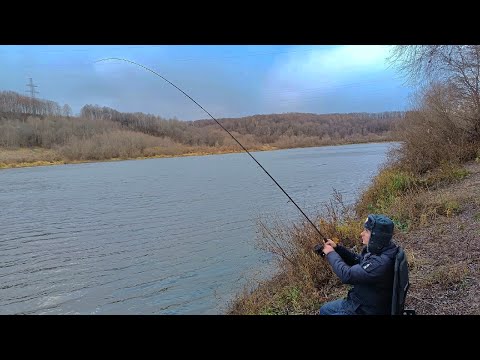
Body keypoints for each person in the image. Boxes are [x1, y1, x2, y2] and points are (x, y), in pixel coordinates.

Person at [318, 214, 398, 315]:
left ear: (376, 236)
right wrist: (337, 249)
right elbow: (359, 260)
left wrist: (330, 253)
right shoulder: (385, 249)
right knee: (325, 309)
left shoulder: (380, 263)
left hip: (366, 310)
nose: (362, 233)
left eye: (366, 231)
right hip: (365, 301)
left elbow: (347, 275)